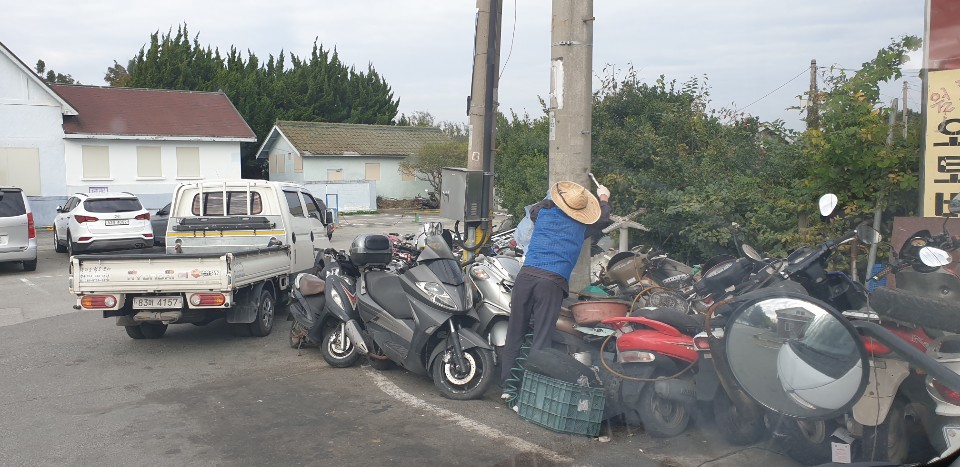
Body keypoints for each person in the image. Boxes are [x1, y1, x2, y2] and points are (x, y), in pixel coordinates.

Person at [500, 180, 612, 397]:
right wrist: (604, 196)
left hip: (526, 277)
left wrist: (557, 195)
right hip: (550, 282)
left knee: (515, 333)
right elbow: (604, 217)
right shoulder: (581, 226)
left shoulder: (541, 214)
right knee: (541, 338)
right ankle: (529, 390)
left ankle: (506, 387)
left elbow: (537, 207)